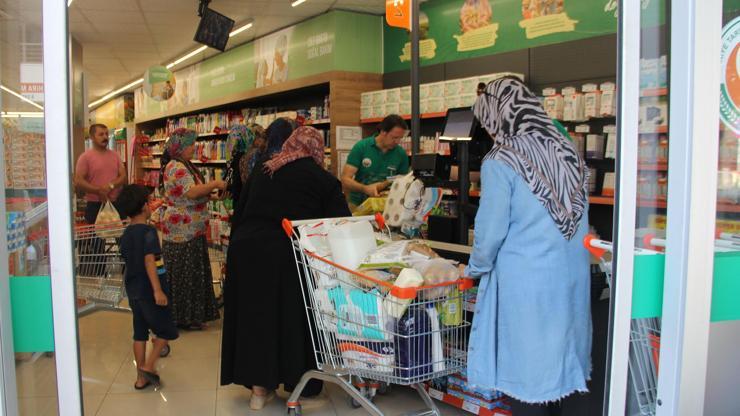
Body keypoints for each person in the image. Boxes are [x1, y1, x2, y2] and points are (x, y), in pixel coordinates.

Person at [462, 77, 591, 415]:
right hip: (571, 275)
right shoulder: (568, 152)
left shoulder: (502, 160)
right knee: (560, 363)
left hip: (526, 281)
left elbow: (490, 232)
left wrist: (473, 268)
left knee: (527, 371)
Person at [220, 126, 351, 410]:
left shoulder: (264, 169)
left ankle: (258, 390)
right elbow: (342, 224)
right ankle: (299, 383)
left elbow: (240, 213)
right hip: (286, 253)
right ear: (315, 149)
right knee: (291, 318)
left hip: (246, 252)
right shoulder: (322, 179)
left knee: (255, 319)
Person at [159, 128, 225, 330]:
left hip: (190, 229)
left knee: (192, 273)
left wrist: (211, 197)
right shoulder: (176, 166)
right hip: (182, 231)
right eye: (190, 145)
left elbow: (189, 194)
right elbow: (191, 191)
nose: (194, 148)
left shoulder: (185, 164)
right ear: (180, 147)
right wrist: (215, 182)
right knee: (184, 275)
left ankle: (192, 316)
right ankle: (183, 317)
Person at [118, 184, 178, 390]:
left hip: (134, 290)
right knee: (166, 329)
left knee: (140, 332)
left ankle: (140, 378)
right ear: (144, 207)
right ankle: (148, 366)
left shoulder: (126, 234)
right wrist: (157, 290)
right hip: (150, 289)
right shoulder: (149, 232)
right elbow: (149, 260)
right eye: (150, 201)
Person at [341, 114, 410, 208]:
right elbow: (345, 179)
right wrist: (365, 189)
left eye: (400, 138)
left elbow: (403, 181)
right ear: (383, 132)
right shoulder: (362, 147)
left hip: (386, 206)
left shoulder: (401, 154)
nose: (397, 142)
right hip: (358, 205)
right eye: (394, 137)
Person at [74, 123, 127, 223]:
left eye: (106, 134)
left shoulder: (115, 155)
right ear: (92, 137)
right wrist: (98, 190)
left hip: (116, 203)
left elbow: (123, 176)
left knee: (118, 236)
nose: (105, 137)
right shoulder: (85, 157)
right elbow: (78, 180)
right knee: (96, 238)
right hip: (95, 205)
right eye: (101, 134)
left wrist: (110, 186)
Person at [223, 124, 265, 204]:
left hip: (241, 202)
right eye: (259, 137)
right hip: (249, 202)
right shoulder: (249, 157)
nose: (261, 141)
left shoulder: (236, 156)